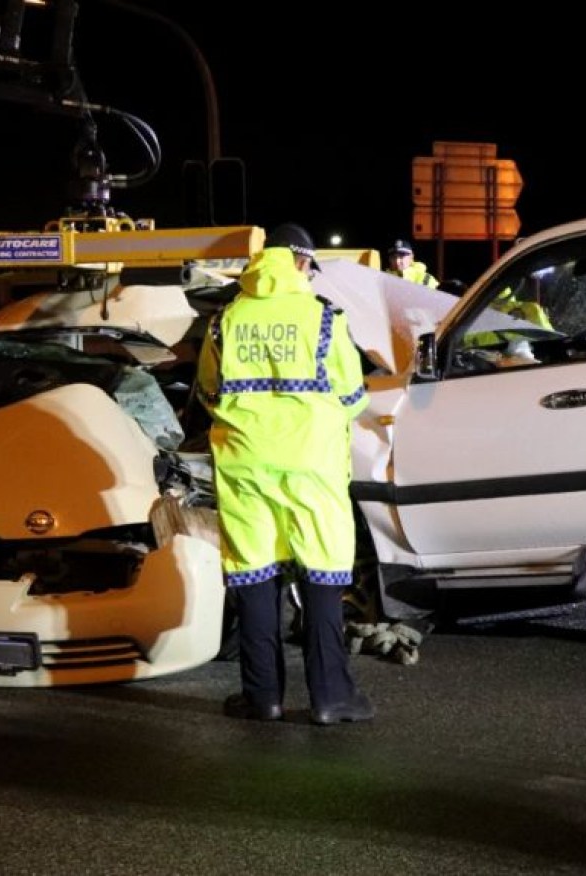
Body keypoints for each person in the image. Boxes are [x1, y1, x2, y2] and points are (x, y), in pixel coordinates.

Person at [196, 222, 375, 726]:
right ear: (300, 261)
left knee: (255, 578)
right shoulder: (325, 319)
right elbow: (351, 395)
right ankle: (330, 698)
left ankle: (263, 698)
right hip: (312, 466)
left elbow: (209, 392)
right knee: (322, 577)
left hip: (246, 466)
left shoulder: (225, 320)